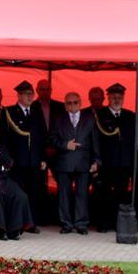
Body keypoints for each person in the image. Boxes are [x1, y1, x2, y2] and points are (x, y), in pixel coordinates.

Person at [0, 81, 49, 228]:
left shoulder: (36, 111)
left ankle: (30, 222)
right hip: (17, 162)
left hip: (33, 161)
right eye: (27, 94)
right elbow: (3, 139)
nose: (30, 97)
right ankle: (17, 222)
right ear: (19, 95)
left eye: (31, 94)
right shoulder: (8, 112)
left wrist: (43, 158)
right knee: (17, 193)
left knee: (33, 193)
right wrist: (7, 160)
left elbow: (42, 137)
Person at [48, 90, 98, 234]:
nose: (72, 105)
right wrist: (65, 145)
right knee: (64, 194)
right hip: (64, 161)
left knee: (82, 194)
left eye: (75, 102)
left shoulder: (89, 118)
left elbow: (95, 142)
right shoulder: (58, 119)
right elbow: (51, 139)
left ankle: (81, 224)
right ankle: (66, 224)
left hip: (84, 162)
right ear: (65, 105)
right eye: (69, 103)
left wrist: (96, 161)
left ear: (81, 103)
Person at [91, 84, 136, 232]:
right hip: (106, 163)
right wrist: (96, 160)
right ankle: (104, 223)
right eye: (114, 97)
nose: (117, 100)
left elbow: (133, 142)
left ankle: (119, 224)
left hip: (124, 164)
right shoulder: (101, 115)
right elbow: (96, 140)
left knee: (121, 195)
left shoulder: (130, 116)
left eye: (119, 97)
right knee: (104, 195)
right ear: (108, 98)